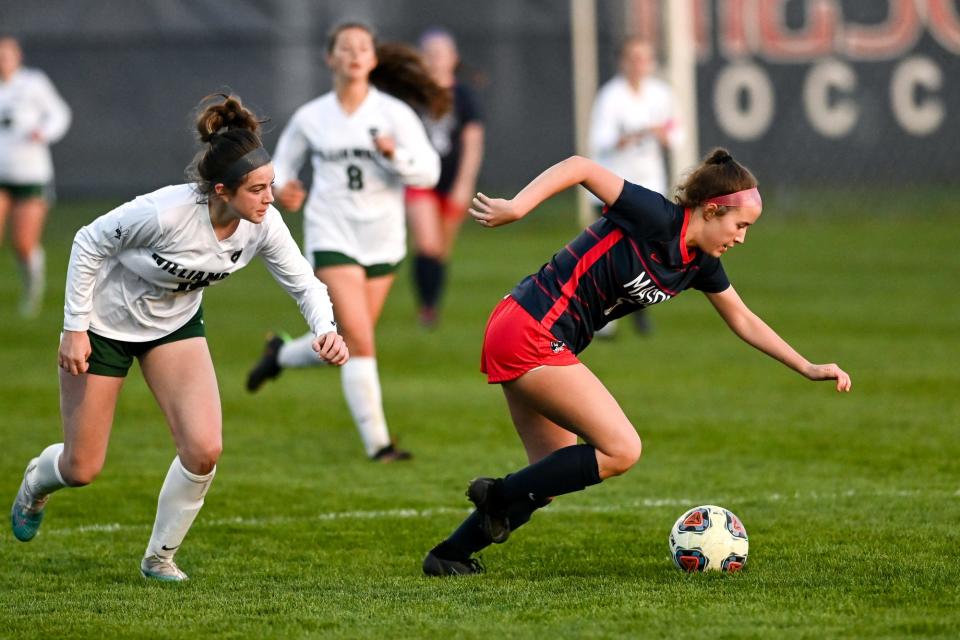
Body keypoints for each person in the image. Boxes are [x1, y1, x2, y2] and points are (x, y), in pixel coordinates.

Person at [422, 149, 852, 576]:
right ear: (710, 210)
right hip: (530, 328)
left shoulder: (699, 262)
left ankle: (449, 555)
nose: (741, 237)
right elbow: (580, 167)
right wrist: (517, 207)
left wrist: (807, 366)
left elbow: (742, 319)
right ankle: (497, 496)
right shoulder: (656, 217)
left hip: (536, 333)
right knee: (622, 449)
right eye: (739, 225)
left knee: (548, 479)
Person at [9, 94, 348, 582]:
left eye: (270, 185)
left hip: (173, 327)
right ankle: (35, 486)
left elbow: (304, 282)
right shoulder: (167, 213)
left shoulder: (262, 224)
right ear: (220, 190)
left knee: (204, 448)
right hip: (104, 326)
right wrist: (74, 327)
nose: (270, 198)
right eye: (257, 189)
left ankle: (158, 558)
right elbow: (88, 240)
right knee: (81, 467)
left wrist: (326, 330)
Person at [245, 22, 443, 462]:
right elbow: (278, 175)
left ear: (373, 59)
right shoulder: (312, 117)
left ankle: (280, 355)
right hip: (331, 234)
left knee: (348, 343)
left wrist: (396, 156)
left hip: (383, 240)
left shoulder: (394, 114)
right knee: (358, 338)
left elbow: (429, 173)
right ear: (329, 58)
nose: (354, 54)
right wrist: (287, 190)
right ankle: (380, 445)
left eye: (363, 48)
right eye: (345, 47)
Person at [588, 36, 681, 337]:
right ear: (623, 61)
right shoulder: (610, 97)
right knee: (610, 254)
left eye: (645, 57)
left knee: (642, 253)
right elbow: (600, 142)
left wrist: (664, 136)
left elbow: (677, 133)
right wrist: (637, 134)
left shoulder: (661, 94)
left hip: (650, 184)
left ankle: (633, 308)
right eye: (634, 57)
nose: (640, 64)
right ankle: (606, 322)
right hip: (614, 185)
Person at [405, 27, 484, 328]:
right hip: (420, 181)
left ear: (453, 58)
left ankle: (431, 304)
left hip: (452, 181)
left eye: (441, 53)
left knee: (441, 250)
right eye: (430, 54)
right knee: (428, 244)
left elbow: (473, 141)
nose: (436, 59)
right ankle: (426, 309)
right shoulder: (412, 95)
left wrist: (465, 184)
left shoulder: (464, 95)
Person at [0, 35, 71, 317]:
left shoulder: (32, 83)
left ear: (17, 57)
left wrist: (45, 132)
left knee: (23, 243)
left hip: (30, 174)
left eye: (6, 55)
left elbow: (59, 113)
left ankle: (33, 291)